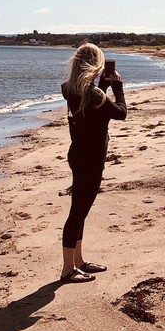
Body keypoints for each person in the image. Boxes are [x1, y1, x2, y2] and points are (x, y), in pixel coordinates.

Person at [59, 43, 127, 282]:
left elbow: (91, 106)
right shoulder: (94, 95)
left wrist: (102, 86)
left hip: (78, 154)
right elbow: (120, 112)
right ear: (96, 66)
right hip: (92, 158)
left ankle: (78, 261)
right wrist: (117, 86)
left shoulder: (69, 90)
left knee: (80, 210)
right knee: (78, 213)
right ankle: (67, 270)